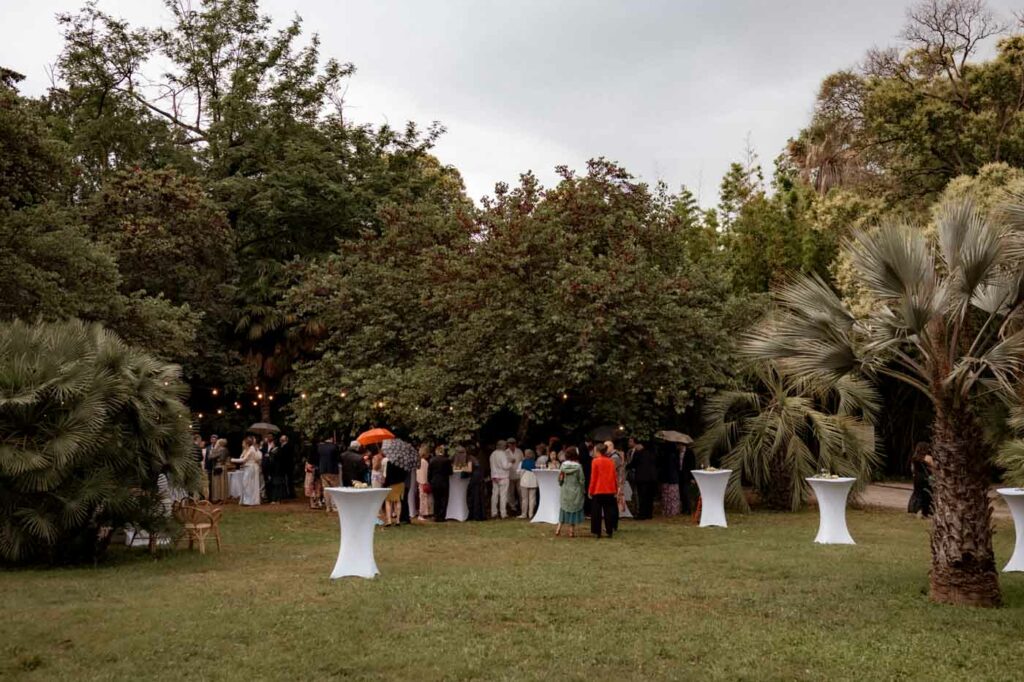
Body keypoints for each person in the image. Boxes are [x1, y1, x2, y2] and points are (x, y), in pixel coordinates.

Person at [589, 443, 619, 538]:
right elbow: (614, 476)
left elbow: (593, 477)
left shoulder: (595, 461)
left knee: (596, 511)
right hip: (609, 490)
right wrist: (615, 488)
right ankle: (609, 530)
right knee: (609, 511)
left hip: (598, 489)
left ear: (597, 451)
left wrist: (591, 490)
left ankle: (597, 531)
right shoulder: (610, 461)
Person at [556, 447, 585, 537]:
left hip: (565, 489)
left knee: (564, 509)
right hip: (575, 490)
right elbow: (581, 479)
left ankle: (558, 529)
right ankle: (571, 531)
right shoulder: (578, 466)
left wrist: (561, 483)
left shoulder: (563, 465)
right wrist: (583, 488)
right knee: (573, 510)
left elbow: (560, 478)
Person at [627, 440, 657, 519]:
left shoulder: (638, 453)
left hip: (642, 478)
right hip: (651, 478)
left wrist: (627, 466)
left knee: (642, 497)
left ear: (640, 445)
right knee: (649, 497)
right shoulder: (651, 453)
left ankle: (642, 514)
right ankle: (649, 513)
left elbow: (633, 464)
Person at [231, 436, 262, 506]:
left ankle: (249, 501)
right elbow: (242, 457)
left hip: (250, 468)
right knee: (246, 484)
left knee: (248, 484)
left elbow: (244, 460)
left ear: (247, 443)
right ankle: (246, 500)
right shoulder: (246, 450)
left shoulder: (251, 449)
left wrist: (232, 460)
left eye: (243, 442)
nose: (242, 444)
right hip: (246, 468)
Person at [908, 442, 935, 518]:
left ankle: (913, 509)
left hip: (917, 478)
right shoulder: (928, 458)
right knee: (927, 494)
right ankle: (925, 512)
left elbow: (912, 469)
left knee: (916, 493)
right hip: (925, 478)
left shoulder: (914, 458)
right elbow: (933, 469)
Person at [428, 446, 453, 522]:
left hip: (434, 482)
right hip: (444, 482)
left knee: (436, 499)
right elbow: (450, 472)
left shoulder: (432, 460)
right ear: (443, 452)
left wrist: (430, 481)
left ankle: (436, 516)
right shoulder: (447, 460)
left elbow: (429, 473)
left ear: (436, 451)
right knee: (444, 499)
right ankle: (442, 516)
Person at [382, 448, 406, 526]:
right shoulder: (403, 463)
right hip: (400, 484)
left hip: (391, 484)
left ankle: (389, 520)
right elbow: (405, 475)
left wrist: (385, 484)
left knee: (388, 501)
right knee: (398, 501)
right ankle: (398, 520)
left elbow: (388, 475)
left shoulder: (390, 462)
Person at [656, 441, 681, 517]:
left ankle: (666, 510)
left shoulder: (663, 455)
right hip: (673, 478)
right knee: (673, 496)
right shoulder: (674, 456)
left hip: (665, 478)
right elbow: (677, 466)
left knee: (665, 495)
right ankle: (673, 510)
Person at [317, 436, 341, 512]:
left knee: (326, 489)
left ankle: (328, 507)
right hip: (333, 470)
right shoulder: (334, 447)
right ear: (331, 438)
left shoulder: (320, 447)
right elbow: (338, 458)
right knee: (335, 488)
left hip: (323, 470)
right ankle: (334, 506)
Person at [489, 440, 512, 519]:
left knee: (494, 495)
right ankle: (503, 513)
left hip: (494, 476)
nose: (506, 447)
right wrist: (511, 463)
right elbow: (505, 466)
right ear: (502, 446)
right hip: (503, 476)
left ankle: (493, 512)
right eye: (505, 445)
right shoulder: (502, 454)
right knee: (503, 495)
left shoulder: (493, 454)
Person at [518, 449, 539, 519]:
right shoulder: (535, 463)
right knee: (532, 498)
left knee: (524, 499)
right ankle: (531, 514)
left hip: (524, 481)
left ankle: (524, 514)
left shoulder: (522, 462)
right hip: (533, 481)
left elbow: (519, 472)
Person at [467, 448, 486, 521]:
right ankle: (480, 514)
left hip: (474, 479)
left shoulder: (470, 459)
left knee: (473, 497)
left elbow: (469, 470)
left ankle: (475, 514)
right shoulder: (478, 459)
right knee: (479, 497)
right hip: (480, 478)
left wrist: (462, 469)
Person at [678, 444, 698, 515]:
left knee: (686, 492)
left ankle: (688, 509)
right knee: (681, 493)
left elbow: (692, 465)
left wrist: (692, 477)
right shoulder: (678, 452)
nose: (678, 446)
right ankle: (684, 508)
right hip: (680, 475)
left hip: (687, 475)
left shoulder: (689, 452)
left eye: (680, 445)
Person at [506, 438, 524, 516]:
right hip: (510, 474)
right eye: (510, 443)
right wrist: (510, 462)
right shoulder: (505, 452)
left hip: (519, 474)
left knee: (520, 492)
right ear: (508, 444)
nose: (512, 445)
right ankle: (512, 507)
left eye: (513, 443)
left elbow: (522, 461)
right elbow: (504, 463)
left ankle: (522, 507)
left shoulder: (519, 451)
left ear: (515, 444)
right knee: (511, 492)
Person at [209, 438, 230, 503]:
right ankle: (223, 497)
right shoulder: (226, 450)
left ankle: (219, 497)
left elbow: (210, 457)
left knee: (218, 483)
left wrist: (214, 450)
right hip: (223, 467)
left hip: (219, 467)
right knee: (222, 483)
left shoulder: (221, 450)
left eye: (218, 442)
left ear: (220, 444)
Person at [416, 445, 433, 520]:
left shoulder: (419, 461)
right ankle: (422, 514)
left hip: (419, 481)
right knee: (423, 498)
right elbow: (425, 473)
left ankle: (423, 513)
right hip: (423, 482)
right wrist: (426, 482)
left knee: (422, 498)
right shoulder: (424, 462)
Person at [278, 434, 296, 499]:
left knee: (289, 480)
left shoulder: (288, 446)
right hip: (284, 466)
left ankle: (290, 494)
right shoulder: (281, 446)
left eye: (282, 439)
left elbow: (284, 456)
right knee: (286, 480)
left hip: (288, 466)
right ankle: (285, 493)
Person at [203, 434, 218, 501]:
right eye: (212, 439)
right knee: (210, 483)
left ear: (216, 440)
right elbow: (206, 458)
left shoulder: (218, 447)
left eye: (214, 439)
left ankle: (216, 497)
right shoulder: (208, 448)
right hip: (209, 467)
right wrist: (206, 467)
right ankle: (210, 498)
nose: (213, 440)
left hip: (216, 467)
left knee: (215, 483)